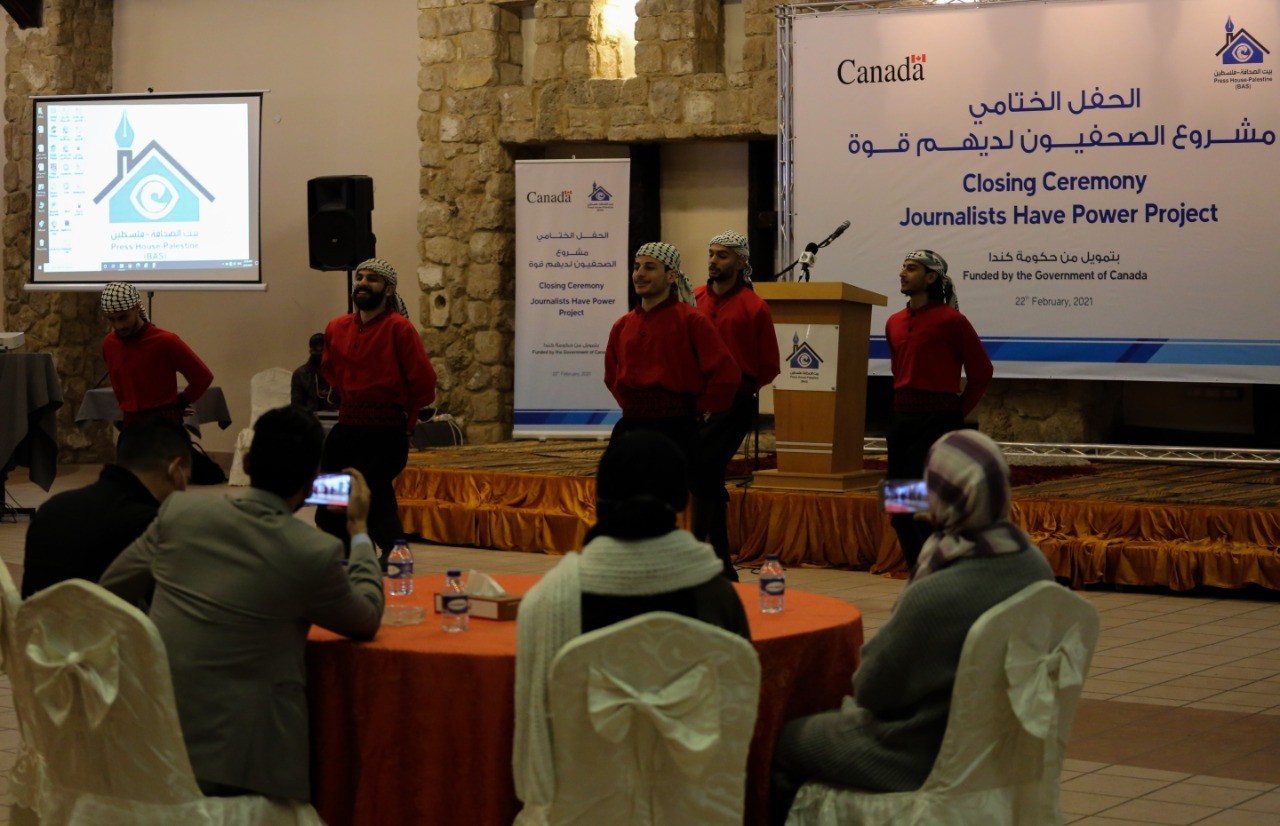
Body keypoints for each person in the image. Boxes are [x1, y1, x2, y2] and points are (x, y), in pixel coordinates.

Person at [99, 405, 383, 801]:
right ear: (311, 482)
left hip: (153, 738)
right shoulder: (313, 551)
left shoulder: (180, 513)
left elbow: (107, 593)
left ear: (246, 463)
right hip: (249, 765)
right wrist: (359, 530)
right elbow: (366, 618)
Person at [768, 430, 1054, 823]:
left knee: (784, 741)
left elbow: (872, 689)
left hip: (919, 754)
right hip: (1006, 749)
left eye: (927, 485)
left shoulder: (937, 592)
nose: (919, 494)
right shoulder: (1037, 567)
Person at [513, 429, 750, 820]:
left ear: (598, 500)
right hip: (692, 812)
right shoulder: (718, 596)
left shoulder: (550, 600)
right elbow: (735, 717)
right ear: (682, 500)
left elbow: (538, 735)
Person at [604, 241, 740, 575]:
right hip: (633, 425)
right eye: (637, 266)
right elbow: (612, 375)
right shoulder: (622, 325)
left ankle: (709, 568)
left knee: (696, 492)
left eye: (649, 267)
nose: (639, 274)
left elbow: (725, 374)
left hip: (677, 425)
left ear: (671, 275)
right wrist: (636, 406)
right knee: (621, 496)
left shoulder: (691, 321)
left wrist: (698, 409)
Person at [315, 258, 437, 557]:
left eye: (372, 278)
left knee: (374, 498)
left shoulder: (399, 329)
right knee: (329, 498)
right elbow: (329, 369)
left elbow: (423, 382)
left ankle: (396, 555)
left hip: (385, 431)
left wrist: (406, 424)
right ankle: (352, 553)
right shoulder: (337, 327)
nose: (363, 283)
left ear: (389, 289)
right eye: (360, 277)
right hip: (346, 426)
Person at [885, 250, 992, 568]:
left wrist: (955, 413)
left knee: (931, 509)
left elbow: (981, 372)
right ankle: (920, 576)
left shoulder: (952, 321)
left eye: (911, 268)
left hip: (938, 424)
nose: (903, 273)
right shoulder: (894, 322)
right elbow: (898, 369)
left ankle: (943, 575)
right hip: (902, 422)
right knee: (901, 511)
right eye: (903, 267)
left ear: (931, 277)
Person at [21, 416, 191, 598]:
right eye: (187, 479)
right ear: (176, 469)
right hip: (106, 617)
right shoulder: (153, 529)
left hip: (40, 616)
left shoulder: (52, 509)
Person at [693, 231, 781, 578]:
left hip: (734, 404)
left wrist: (735, 390)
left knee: (703, 469)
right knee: (707, 476)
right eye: (711, 254)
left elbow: (768, 364)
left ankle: (696, 554)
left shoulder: (754, 306)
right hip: (695, 402)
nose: (713, 261)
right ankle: (721, 564)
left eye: (723, 255)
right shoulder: (694, 298)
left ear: (741, 261)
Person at [99, 282, 213, 426]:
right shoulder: (109, 344)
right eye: (112, 319)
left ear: (136, 308)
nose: (119, 326)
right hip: (130, 425)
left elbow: (202, 377)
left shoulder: (165, 341)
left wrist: (179, 403)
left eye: (123, 317)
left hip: (164, 427)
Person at [291, 332, 340, 412]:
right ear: (310, 351)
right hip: (311, 417)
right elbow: (297, 407)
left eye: (323, 353)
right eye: (317, 353)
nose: (321, 357)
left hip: (339, 416)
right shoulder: (300, 374)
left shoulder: (340, 372)